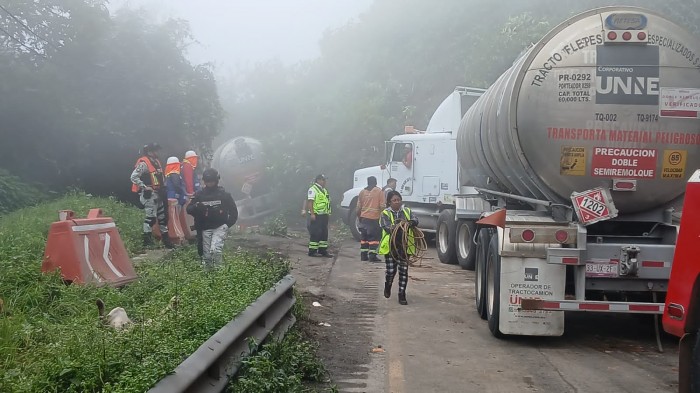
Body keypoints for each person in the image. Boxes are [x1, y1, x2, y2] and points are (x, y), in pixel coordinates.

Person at [186, 168, 238, 269]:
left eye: (212, 181)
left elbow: (233, 212)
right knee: (207, 256)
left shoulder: (224, 194)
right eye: (207, 181)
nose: (210, 183)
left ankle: (220, 273)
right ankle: (209, 276)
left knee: (216, 250)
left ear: (216, 180)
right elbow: (189, 209)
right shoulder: (199, 195)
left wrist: (227, 225)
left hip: (220, 226)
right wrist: (197, 207)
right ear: (204, 181)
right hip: (205, 228)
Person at [130, 143, 174, 249]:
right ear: (150, 151)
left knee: (163, 218)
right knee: (151, 219)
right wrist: (144, 187)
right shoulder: (144, 163)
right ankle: (147, 241)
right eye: (156, 150)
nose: (158, 152)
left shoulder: (157, 162)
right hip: (150, 195)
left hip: (159, 193)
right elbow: (133, 177)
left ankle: (166, 240)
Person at [379, 190, 418, 305]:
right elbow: (386, 227)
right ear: (389, 202)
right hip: (391, 247)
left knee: (403, 271)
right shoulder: (385, 214)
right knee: (391, 271)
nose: (397, 202)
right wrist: (400, 225)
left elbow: (416, 220)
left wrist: (410, 223)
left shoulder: (407, 211)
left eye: (398, 200)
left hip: (404, 247)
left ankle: (402, 294)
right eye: (394, 200)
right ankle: (388, 285)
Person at [357, 176, 384, 262]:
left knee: (364, 238)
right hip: (374, 219)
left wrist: (359, 217)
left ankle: (363, 256)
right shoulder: (379, 191)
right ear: (375, 182)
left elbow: (358, 208)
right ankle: (372, 256)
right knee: (374, 239)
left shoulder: (362, 192)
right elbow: (382, 206)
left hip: (364, 218)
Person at [306, 174, 333, 258]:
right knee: (316, 233)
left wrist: (328, 213)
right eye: (323, 180)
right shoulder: (313, 189)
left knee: (324, 233)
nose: (325, 182)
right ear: (318, 180)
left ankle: (323, 250)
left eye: (325, 180)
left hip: (324, 215)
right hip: (316, 215)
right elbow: (310, 202)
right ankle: (312, 251)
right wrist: (312, 213)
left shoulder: (324, 190)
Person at [164, 156, 187, 246]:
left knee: (173, 216)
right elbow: (177, 185)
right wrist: (183, 192)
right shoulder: (174, 174)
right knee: (175, 215)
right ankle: (177, 235)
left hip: (170, 196)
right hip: (175, 197)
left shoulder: (168, 174)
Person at [181, 150, 200, 242]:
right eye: (195, 158)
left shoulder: (187, 165)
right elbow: (188, 181)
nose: (196, 160)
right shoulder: (187, 166)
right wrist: (191, 193)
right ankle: (192, 233)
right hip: (189, 194)